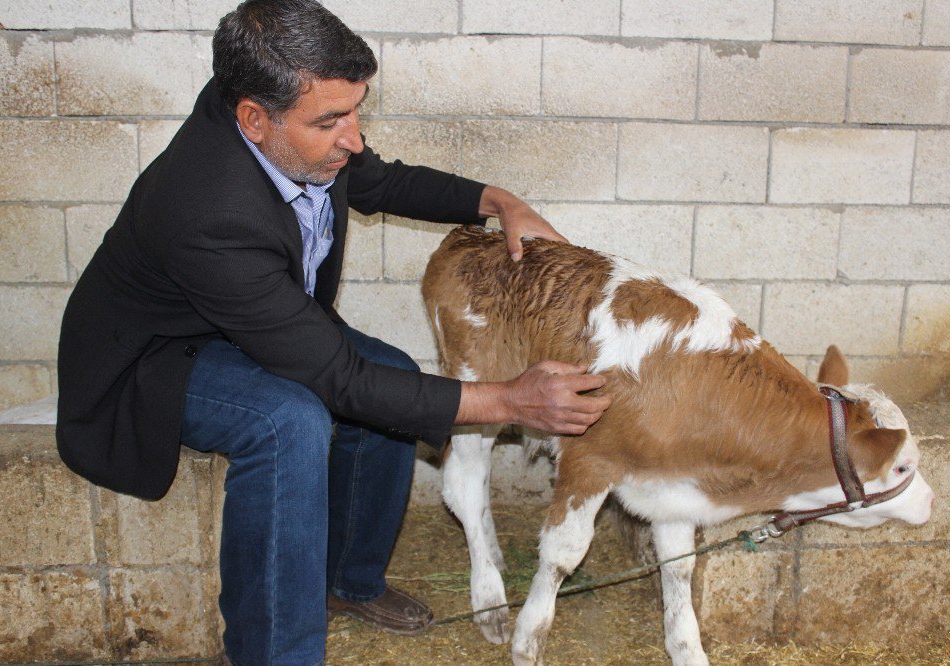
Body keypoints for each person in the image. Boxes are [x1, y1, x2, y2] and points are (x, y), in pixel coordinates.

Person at [55, 1, 610, 664]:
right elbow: (339, 382)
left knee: (391, 372)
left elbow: (380, 180)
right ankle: (274, 653)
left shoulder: (292, 125)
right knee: (290, 420)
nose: (352, 138)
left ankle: (350, 583)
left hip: (251, 317)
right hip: (158, 357)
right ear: (253, 120)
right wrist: (511, 401)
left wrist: (499, 202)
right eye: (332, 122)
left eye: (356, 112)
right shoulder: (208, 208)